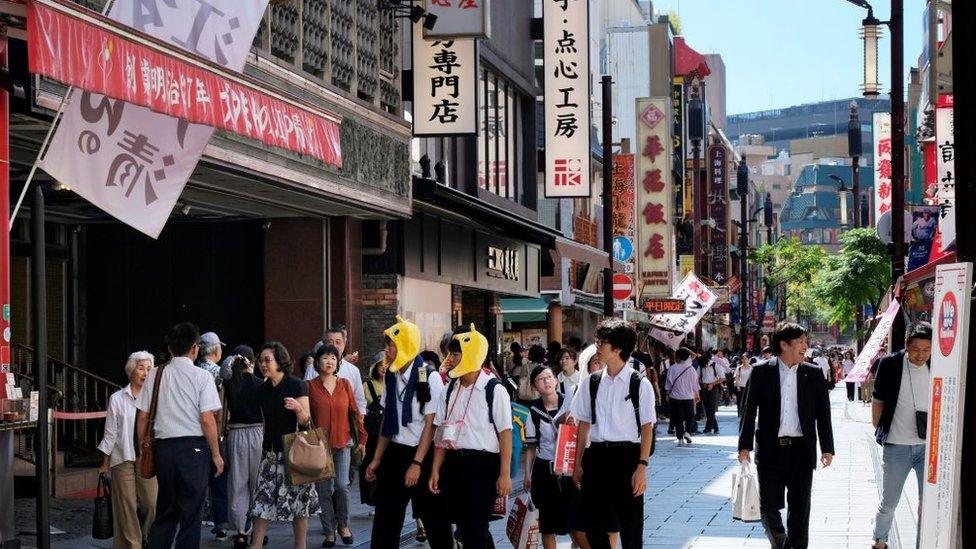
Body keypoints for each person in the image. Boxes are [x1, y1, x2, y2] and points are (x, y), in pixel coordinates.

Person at [738, 322, 835, 549]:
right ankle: (781, 541)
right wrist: (744, 446)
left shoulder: (813, 373)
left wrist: (827, 447)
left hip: (802, 450)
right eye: (800, 341)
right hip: (771, 450)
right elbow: (748, 410)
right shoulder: (762, 372)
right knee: (769, 508)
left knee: (800, 509)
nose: (805, 346)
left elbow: (823, 413)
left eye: (805, 341)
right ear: (784, 344)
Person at [366, 316, 453, 548]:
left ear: (406, 344)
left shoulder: (430, 377)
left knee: (435, 520)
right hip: (394, 453)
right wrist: (376, 459)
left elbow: (430, 424)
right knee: (385, 520)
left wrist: (416, 463)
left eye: (391, 344)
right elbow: (387, 421)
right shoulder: (392, 375)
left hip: (421, 455)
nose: (387, 349)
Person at [136, 322, 224, 549]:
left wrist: (142, 448)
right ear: (195, 348)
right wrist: (216, 454)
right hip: (193, 449)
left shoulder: (155, 374)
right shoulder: (202, 377)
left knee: (165, 510)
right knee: (191, 515)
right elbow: (207, 419)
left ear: (170, 347)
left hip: (163, 449)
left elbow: (143, 417)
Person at [571, 319, 655, 549]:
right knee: (593, 524)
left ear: (617, 348)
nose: (597, 347)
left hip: (628, 457)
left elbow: (647, 427)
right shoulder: (592, 382)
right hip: (596, 456)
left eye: (602, 343)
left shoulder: (640, 384)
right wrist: (578, 463)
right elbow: (583, 424)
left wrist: (642, 466)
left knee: (631, 526)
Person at [430, 324, 514, 549]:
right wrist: (436, 469)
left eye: (455, 354)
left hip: (483, 465)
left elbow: (506, 433)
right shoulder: (449, 389)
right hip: (454, 463)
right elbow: (441, 431)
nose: (451, 359)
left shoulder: (494, 389)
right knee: (465, 528)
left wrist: (505, 475)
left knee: (475, 526)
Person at [248, 342, 318, 549]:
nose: (263, 364)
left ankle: (300, 546)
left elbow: (306, 420)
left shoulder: (297, 385)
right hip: (269, 453)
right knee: (261, 504)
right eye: (260, 361)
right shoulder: (261, 389)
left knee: (299, 506)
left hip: (295, 453)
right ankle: (256, 545)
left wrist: (297, 407)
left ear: (281, 361)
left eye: (267, 360)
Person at [870, 322, 932, 549]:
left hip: (928, 448)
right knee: (890, 502)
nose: (921, 355)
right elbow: (877, 400)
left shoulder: (938, 364)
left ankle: (921, 543)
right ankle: (880, 541)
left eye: (926, 350)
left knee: (927, 503)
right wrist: (880, 427)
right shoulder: (890, 364)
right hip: (896, 446)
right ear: (907, 345)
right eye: (916, 349)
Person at [307, 344, 366, 547]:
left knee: (342, 486)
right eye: (325, 358)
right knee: (324, 490)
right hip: (319, 446)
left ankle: (343, 525)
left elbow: (355, 413)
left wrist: (362, 440)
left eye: (333, 358)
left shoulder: (345, 385)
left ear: (338, 362)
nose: (329, 361)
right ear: (317, 362)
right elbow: (306, 417)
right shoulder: (309, 386)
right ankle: (329, 531)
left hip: (343, 442)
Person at [98, 351, 158, 549]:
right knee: (127, 507)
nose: (145, 373)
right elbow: (110, 433)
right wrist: (105, 462)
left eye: (149, 369)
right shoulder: (117, 399)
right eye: (141, 368)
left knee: (151, 504)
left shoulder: (155, 399)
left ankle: (145, 537)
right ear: (131, 371)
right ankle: (134, 545)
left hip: (147, 459)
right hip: (122, 458)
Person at [523, 366, 576, 549]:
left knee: (574, 519)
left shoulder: (570, 404)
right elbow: (531, 445)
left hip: (569, 468)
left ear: (556, 380)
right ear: (534, 386)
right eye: (540, 379)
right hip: (545, 470)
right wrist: (528, 473)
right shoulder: (534, 411)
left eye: (549, 377)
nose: (546, 381)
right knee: (547, 523)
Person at [224, 349, 264, 549]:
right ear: (253, 361)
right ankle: (258, 530)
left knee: (237, 483)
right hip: (257, 433)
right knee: (256, 484)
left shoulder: (229, 384)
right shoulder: (260, 384)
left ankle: (240, 532)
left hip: (235, 434)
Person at [197, 331, 230, 540]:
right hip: (215, 433)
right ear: (216, 349)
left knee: (198, 482)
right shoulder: (221, 374)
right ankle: (222, 525)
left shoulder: (194, 372)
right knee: (220, 479)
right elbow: (219, 410)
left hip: (193, 434)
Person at [304, 327, 367, 416]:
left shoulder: (353, 371)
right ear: (324, 344)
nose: (334, 346)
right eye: (330, 342)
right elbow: (305, 398)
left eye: (338, 342)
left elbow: (359, 400)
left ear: (344, 344)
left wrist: (360, 420)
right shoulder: (313, 368)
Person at [361, 353, 386, 512]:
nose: (383, 367)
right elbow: (361, 407)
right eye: (380, 364)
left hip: (389, 433)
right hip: (373, 433)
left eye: (386, 364)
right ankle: (374, 500)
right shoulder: (368, 385)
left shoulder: (394, 384)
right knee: (371, 465)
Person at [665, 348, 699, 446]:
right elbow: (695, 384)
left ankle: (680, 438)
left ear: (678, 358)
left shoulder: (672, 368)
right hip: (688, 397)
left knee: (678, 418)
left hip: (675, 398)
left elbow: (669, 383)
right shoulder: (691, 369)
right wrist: (696, 395)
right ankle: (687, 432)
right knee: (690, 416)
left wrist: (668, 394)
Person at [700, 350, 728, 435]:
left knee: (711, 408)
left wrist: (712, 384)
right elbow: (698, 377)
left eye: (705, 365)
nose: (704, 366)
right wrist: (703, 383)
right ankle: (715, 428)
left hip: (714, 388)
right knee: (707, 409)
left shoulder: (715, 365)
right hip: (705, 388)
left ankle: (708, 428)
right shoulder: (701, 365)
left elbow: (722, 378)